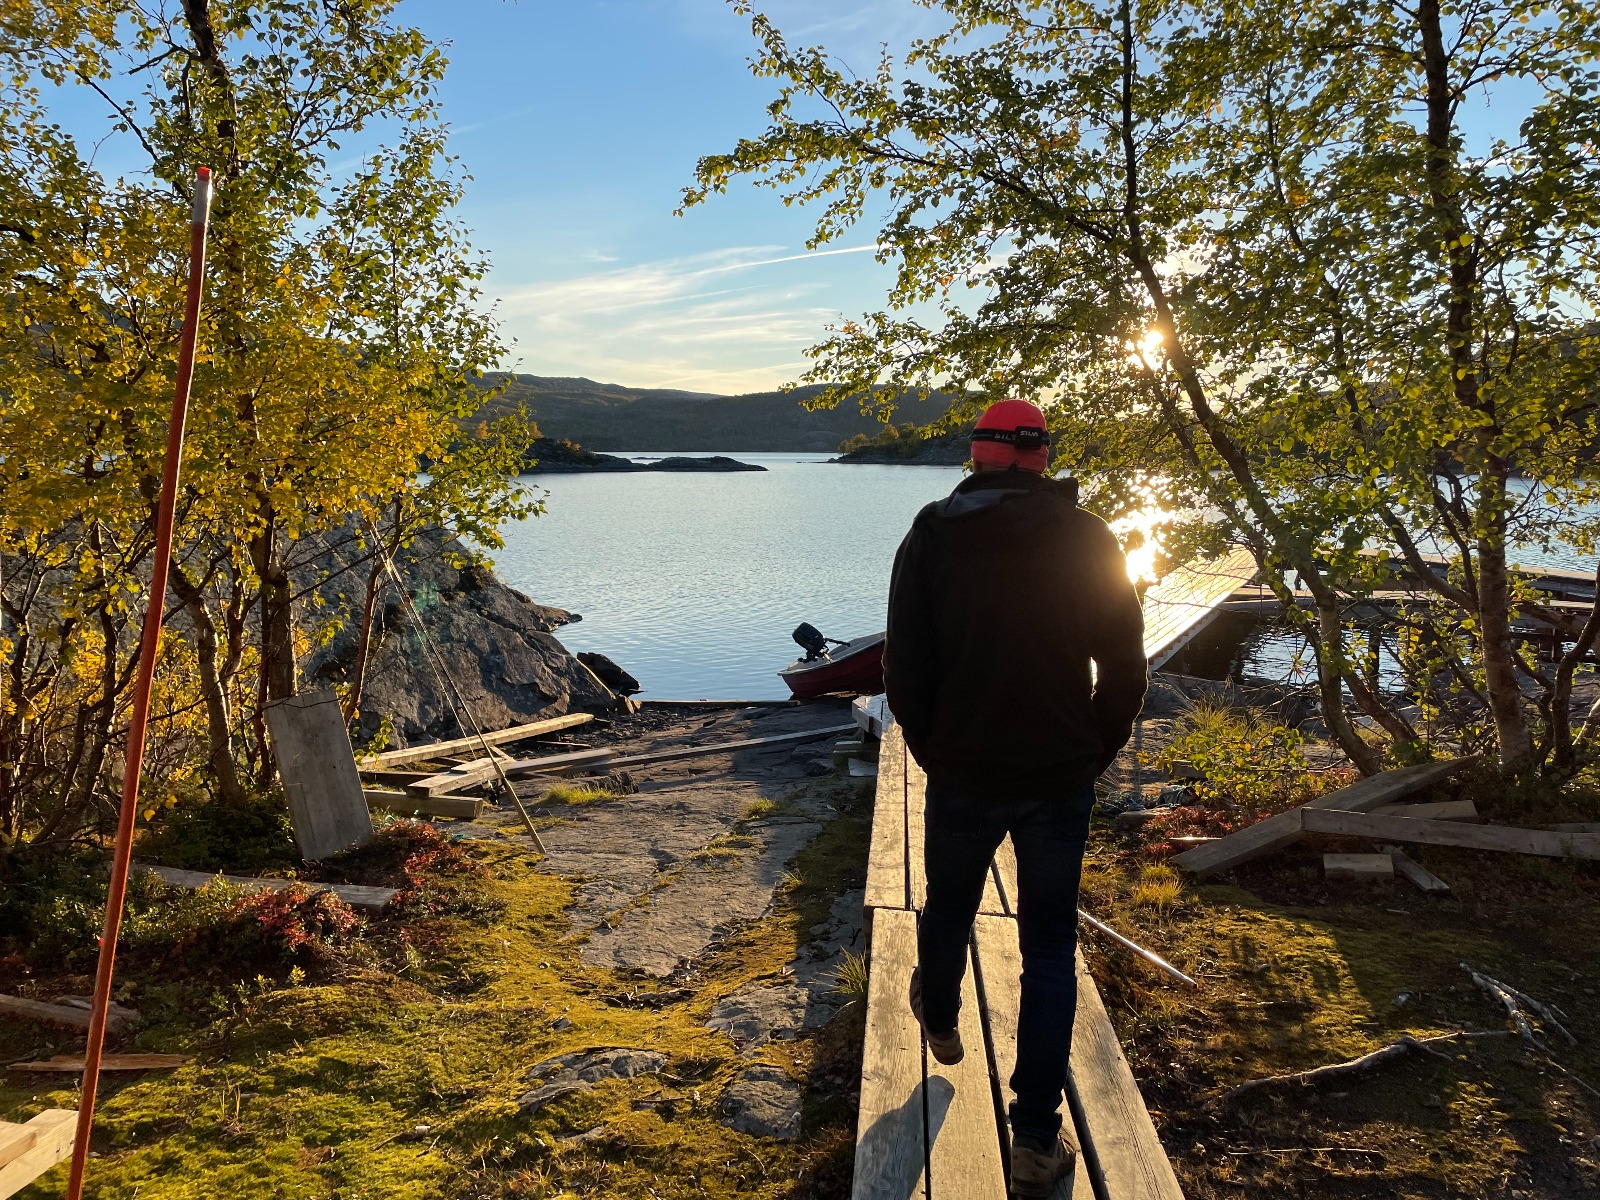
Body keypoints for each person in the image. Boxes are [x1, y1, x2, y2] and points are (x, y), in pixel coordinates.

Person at [882, 397, 1147, 1197]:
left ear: (978, 455)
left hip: (965, 771)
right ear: (1042, 458)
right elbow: (1126, 667)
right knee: (1048, 951)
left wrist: (934, 750)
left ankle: (938, 1013)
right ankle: (1034, 1138)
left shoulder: (932, 533)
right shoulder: (1090, 536)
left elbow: (904, 666)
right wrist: (1092, 750)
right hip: (1058, 776)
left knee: (949, 908)